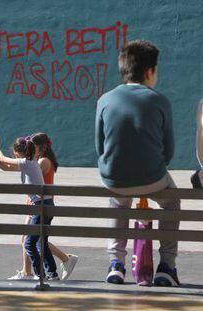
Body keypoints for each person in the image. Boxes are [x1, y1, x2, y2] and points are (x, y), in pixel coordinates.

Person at [95, 40, 181, 286]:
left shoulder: (104, 99)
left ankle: (116, 264)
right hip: (153, 177)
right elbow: (169, 150)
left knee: (118, 201)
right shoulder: (160, 101)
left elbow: (100, 147)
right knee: (172, 201)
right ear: (150, 71)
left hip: (115, 177)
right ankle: (167, 266)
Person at [0, 135, 59, 280]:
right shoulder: (29, 163)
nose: (14, 155)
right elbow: (5, 167)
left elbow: (3, 158)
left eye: (16, 153)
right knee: (41, 242)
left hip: (40, 207)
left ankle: (40, 275)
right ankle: (52, 274)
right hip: (47, 205)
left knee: (29, 244)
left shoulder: (27, 163)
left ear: (21, 153)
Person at [7, 133, 78, 281]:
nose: (30, 149)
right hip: (36, 204)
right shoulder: (40, 160)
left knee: (32, 240)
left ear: (41, 148)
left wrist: (1, 160)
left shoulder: (42, 162)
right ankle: (33, 271)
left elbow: (25, 169)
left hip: (40, 205)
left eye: (32, 147)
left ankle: (62, 260)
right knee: (33, 240)